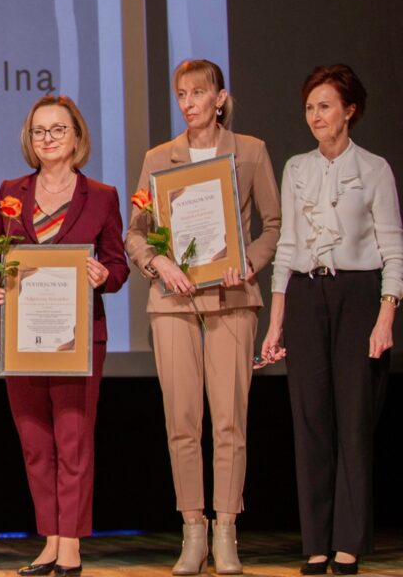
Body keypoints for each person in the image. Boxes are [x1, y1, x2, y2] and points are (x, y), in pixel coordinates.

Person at [124, 60, 281, 575]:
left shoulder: (251, 151)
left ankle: (226, 530)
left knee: (230, 420)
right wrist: (159, 263)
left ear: (220, 97)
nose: (188, 102)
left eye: (198, 92)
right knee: (182, 420)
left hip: (232, 296)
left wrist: (248, 262)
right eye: (181, 94)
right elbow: (135, 233)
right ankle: (193, 529)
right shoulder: (159, 157)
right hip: (174, 300)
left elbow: (273, 225)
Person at [0, 96, 128, 577]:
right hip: (22, 339)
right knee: (36, 444)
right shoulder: (11, 192)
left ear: (77, 136)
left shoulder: (101, 195)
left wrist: (104, 275)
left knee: (73, 440)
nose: (48, 139)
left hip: (77, 340)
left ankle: (71, 544)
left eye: (58, 129)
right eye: (39, 131)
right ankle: (50, 539)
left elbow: (118, 264)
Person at [260, 64, 399, 576]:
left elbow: (393, 249)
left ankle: (349, 542)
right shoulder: (296, 168)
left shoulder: (375, 169)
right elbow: (287, 247)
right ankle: (316, 541)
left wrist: (385, 316)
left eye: (325, 106)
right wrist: (276, 321)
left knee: (354, 423)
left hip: (359, 295)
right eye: (309, 107)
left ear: (349, 110)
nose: (315, 116)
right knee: (311, 421)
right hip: (305, 294)